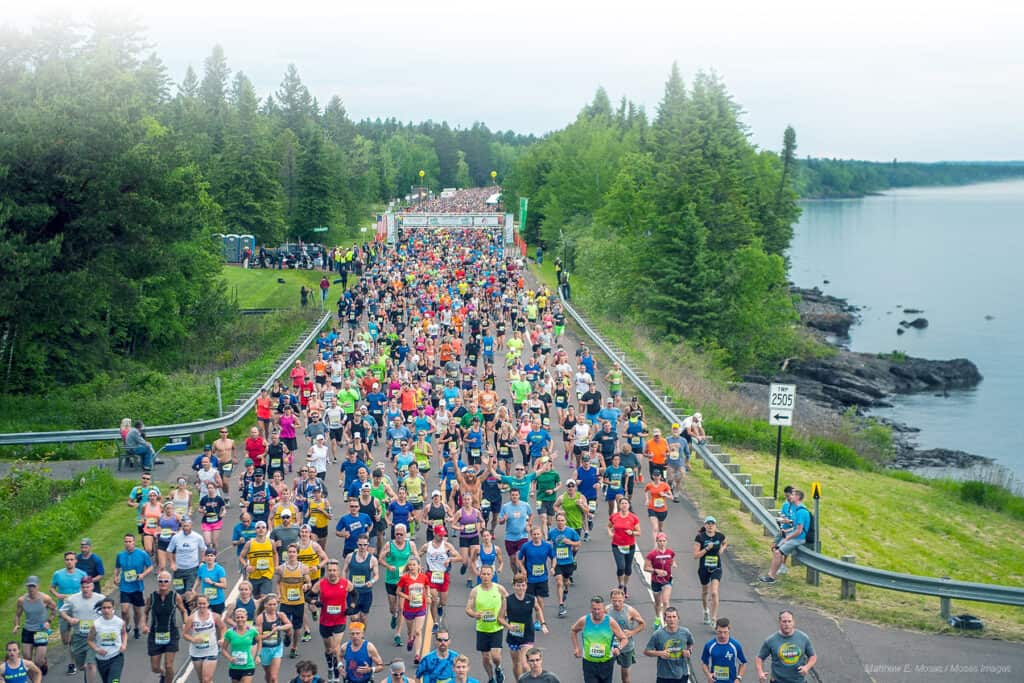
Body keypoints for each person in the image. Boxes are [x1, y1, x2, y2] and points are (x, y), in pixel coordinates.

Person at [569, 595, 630, 683]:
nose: (597, 612)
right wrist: (576, 648)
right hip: (589, 663)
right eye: (594, 609)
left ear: (603, 609)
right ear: (591, 609)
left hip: (606, 663)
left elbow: (624, 639)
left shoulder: (610, 622)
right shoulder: (584, 620)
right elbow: (573, 630)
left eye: (599, 609)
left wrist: (618, 648)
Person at [465, 564, 508, 683]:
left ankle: (498, 668)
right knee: (485, 657)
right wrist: (475, 614)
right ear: (480, 574)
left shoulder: (499, 589)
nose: (486, 576)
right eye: (483, 574)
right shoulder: (475, 591)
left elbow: (509, 602)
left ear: (492, 575)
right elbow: (468, 609)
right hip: (482, 628)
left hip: (496, 628)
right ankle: (490, 678)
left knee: (495, 656)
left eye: (488, 574)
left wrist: (505, 614)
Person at [144, 570, 188, 683]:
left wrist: (185, 623)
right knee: (155, 668)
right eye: (160, 581)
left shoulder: (175, 597)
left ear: (170, 582)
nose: (163, 583)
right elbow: (145, 612)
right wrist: (144, 625)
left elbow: (183, 611)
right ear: (158, 582)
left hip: (171, 633)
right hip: (155, 634)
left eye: (166, 581)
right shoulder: (152, 597)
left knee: (169, 665)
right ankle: (163, 674)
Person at [310, 560, 350, 682]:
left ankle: (337, 675)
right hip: (325, 621)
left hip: (340, 620)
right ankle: (330, 666)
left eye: (334, 570)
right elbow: (309, 596)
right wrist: (316, 602)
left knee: (335, 647)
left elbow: (354, 594)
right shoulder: (321, 584)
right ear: (327, 572)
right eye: (330, 571)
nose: (332, 573)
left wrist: (352, 606)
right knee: (328, 649)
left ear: (338, 572)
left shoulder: (345, 583)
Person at [501, 573, 547, 681]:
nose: (521, 588)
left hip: (527, 635)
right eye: (518, 585)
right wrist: (508, 626)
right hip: (513, 636)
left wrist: (543, 623)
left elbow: (538, 609)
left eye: (523, 585)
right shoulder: (507, 600)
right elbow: (500, 618)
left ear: (526, 586)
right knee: (516, 664)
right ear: (514, 586)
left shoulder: (531, 599)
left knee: (525, 664)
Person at [60, 576, 105, 680]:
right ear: (80, 587)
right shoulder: (72, 599)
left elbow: (109, 613)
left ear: (92, 586)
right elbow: (62, 611)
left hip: (94, 637)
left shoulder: (101, 598)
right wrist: (69, 619)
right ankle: (86, 670)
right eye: (83, 587)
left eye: (88, 587)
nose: (85, 589)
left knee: (90, 664)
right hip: (78, 636)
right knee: (81, 666)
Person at [759, 490, 809, 584]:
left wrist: (787, 538)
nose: (791, 496)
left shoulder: (801, 512)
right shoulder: (796, 510)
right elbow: (794, 527)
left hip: (798, 539)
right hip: (794, 537)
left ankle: (771, 576)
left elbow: (799, 531)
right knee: (775, 549)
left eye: (793, 495)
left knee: (778, 552)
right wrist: (786, 531)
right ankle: (776, 571)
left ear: (798, 497)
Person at [756, 611, 816, 683]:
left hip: (799, 681)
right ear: (779, 622)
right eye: (784, 621)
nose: (787, 624)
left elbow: (813, 656)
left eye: (789, 621)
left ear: (793, 622)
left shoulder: (803, 637)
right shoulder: (770, 640)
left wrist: (807, 667)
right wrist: (760, 672)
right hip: (778, 681)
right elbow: (759, 658)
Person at [13, 575, 56, 675]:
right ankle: (36, 679)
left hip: (41, 631)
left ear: (38, 586)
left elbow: (54, 610)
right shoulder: (21, 600)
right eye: (29, 586)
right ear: (26, 587)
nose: (31, 588)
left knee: (38, 661)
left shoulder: (45, 598)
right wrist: (16, 625)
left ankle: (43, 662)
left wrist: (48, 622)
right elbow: (17, 615)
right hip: (28, 630)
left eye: (33, 586)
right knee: (27, 660)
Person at [114, 533, 153, 640]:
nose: (128, 544)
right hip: (124, 586)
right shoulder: (120, 555)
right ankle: (125, 626)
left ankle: (136, 628)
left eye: (130, 541)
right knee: (124, 610)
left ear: (134, 542)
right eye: (126, 541)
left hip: (137, 586)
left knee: (137, 611)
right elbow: (117, 567)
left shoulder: (142, 554)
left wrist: (143, 575)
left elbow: (150, 567)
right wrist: (116, 577)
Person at [643, 606, 694, 683]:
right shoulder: (658, 634)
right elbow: (646, 651)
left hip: (682, 673)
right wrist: (660, 653)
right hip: (664, 675)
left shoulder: (685, 632)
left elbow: (691, 643)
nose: (672, 620)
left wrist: (689, 651)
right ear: (665, 619)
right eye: (669, 617)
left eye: (674, 617)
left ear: (678, 618)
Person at [50, 551, 86, 660]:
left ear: (76, 561)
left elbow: (87, 588)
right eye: (67, 560)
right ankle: (73, 648)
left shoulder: (82, 574)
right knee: (65, 640)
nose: (69, 562)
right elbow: (51, 588)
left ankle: (74, 661)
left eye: (71, 559)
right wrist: (57, 595)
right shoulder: (58, 574)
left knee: (80, 635)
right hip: (63, 609)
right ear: (65, 561)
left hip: (77, 609)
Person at [183, 593, 225, 683]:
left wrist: (222, 638)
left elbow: (223, 627)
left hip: (211, 650)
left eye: (204, 604)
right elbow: (185, 634)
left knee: (206, 679)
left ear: (208, 604)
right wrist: (193, 640)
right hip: (196, 652)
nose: (202, 606)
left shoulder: (214, 616)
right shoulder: (192, 618)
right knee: (202, 680)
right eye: (200, 604)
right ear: (197, 604)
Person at [607, 588, 645, 683]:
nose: (617, 603)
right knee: (605, 673)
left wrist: (632, 632)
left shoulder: (630, 611)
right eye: (614, 601)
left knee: (625, 675)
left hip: (626, 647)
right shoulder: (607, 610)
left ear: (624, 599)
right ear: (610, 599)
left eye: (619, 601)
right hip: (609, 646)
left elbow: (642, 624)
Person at [694, 517, 728, 625]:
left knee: (714, 592)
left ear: (715, 526)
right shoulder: (700, 537)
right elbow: (695, 556)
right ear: (705, 525)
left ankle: (714, 618)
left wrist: (722, 549)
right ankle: (705, 611)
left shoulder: (719, 536)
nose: (710, 526)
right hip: (704, 568)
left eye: (712, 524)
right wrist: (706, 549)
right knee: (705, 592)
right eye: (708, 524)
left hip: (716, 567)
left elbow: (725, 542)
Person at [547, 512, 580, 618]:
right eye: (558, 520)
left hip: (568, 561)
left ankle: (566, 590)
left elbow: (578, 543)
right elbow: (548, 542)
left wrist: (569, 542)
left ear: (565, 521)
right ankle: (561, 605)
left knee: (566, 582)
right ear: (556, 521)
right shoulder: (552, 532)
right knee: (559, 582)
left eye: (562, 520)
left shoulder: (571, 531)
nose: (560, 522)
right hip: (557, 562)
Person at [86, 597, 126, 683]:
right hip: (101, 659)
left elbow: (124, 633)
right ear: (101, 609)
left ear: (113, 608)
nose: (106, 610)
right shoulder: (96, 624)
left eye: (109, 607)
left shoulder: (119, 622)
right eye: (104, 608)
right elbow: (89, 640)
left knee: (114, 681)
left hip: (116, 656)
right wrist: (97, 649)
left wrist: (124, 645)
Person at [607, 498, 641, 598]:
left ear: (629, 505)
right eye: (622, 503)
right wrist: (610, 533)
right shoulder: (615, 516)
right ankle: (621, 585)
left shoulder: (633, 518)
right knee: (621, 566)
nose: (624, 505)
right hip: (617, 545)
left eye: (626, 503)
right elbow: (609, 526)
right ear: (619, 505)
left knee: (628, 569)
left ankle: (625, 585)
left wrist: (632, 532)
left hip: (629, 545)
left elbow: (639, 532)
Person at [644, 533, 677, 629]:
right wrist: (656, 571)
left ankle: (667, 623)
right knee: (658, 603)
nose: (662, 543)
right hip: (656, 580)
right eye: (660, 541)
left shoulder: (670, 552)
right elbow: (646, 568)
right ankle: (658, 617)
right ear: (657, 541)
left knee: (666, 601)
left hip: (667, 580)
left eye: (664, 541)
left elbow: (672, 560)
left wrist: (673, 564)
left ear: (666, 542)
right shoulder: (652, 554)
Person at [256, 594, 292, 683]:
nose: (272, 607)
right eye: (270, 604)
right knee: (268, 675)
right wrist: (270, 634)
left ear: (277, 605)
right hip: (265, 649)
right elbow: (259, 637)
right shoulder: (260, 618)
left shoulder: (280, 615)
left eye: (274, 604)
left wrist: (278, 628)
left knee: (274, 677)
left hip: (277, 647)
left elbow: (289, 624)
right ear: (265, 605)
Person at [168, 517, 207, 599]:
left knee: (189, 593)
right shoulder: (176, 537)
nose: (185, 528)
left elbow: (203, 549)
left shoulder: (197, 537)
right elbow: (169, 550)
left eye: (187, 526)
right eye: (184, 526)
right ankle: (184, 610)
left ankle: (189, 611)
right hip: (178, 570)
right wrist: (172, 563)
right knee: (179, 595)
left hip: (192, 570)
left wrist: (202, 561)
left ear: (191, 526)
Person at [701, 618, 747, 683]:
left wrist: (739, 678)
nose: (722, 635)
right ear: (716, 629)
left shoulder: (735, 645)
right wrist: (708, 675)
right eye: (720, 632)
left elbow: (743, 663)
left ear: (729, 630)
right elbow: (704, 663)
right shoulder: (709, 645)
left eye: (725, 632)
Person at [222, 606, 260, 683]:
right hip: (234, 666)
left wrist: (258, 655)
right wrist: (229, 658)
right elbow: (223, 649)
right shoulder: (230, 632)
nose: (240, 619)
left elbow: (259, 641)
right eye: (238, 617)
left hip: (248, 665)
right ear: (234, 618)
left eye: (242, 617)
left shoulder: (252, 631)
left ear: (246, 617)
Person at [241, 521, 278, 598]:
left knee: (264, 597)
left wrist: (276, 566)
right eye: (258, 527)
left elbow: (275, 553)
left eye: (263, 527)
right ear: (255, 530)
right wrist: (246, 566)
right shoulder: (250, 543)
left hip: (267, 574)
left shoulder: (271, 542)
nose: (261, 529)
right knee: (257, 598)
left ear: (266, 530)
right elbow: (241, 557)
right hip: (254, 576)